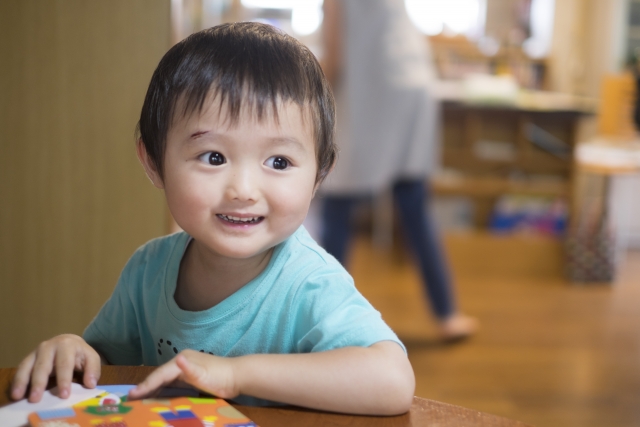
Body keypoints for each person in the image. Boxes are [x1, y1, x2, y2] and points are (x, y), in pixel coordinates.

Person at [10, 22, 415, 415]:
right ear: (153, 163)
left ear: (318, 176)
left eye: (279, 161)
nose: (243, 189)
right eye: (214, 157)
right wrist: (75, 350)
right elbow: (109, 366)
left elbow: (392, 382)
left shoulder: (310, 284)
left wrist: (237, 374)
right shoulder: (147, 271)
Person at [319, 0, 478, 340]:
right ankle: (447, 314)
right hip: (412, 85)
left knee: (336, 206)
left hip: (371, 94)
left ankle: (324, 321)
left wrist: (306, 92)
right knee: (415, 206)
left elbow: (335, 57)